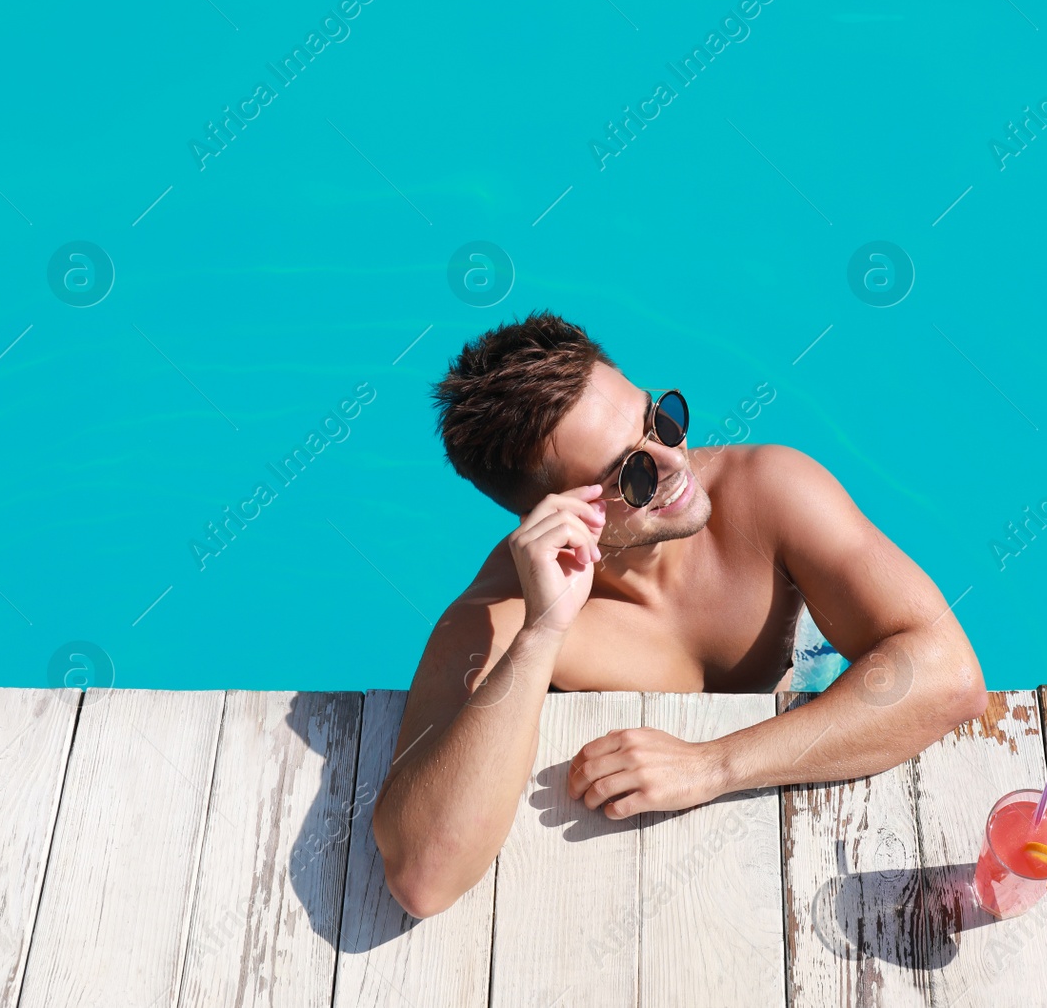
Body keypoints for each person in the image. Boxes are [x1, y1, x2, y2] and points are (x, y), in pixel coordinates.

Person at [372, 312, 987, 918]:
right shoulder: (497, 620)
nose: (672, 464)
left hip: (812, 698)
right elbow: (424, 879)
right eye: (630, 473)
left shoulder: (768, 491)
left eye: (659, 420)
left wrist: (713, 765)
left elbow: (950, 676)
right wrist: (543, 633)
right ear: (555, 512)